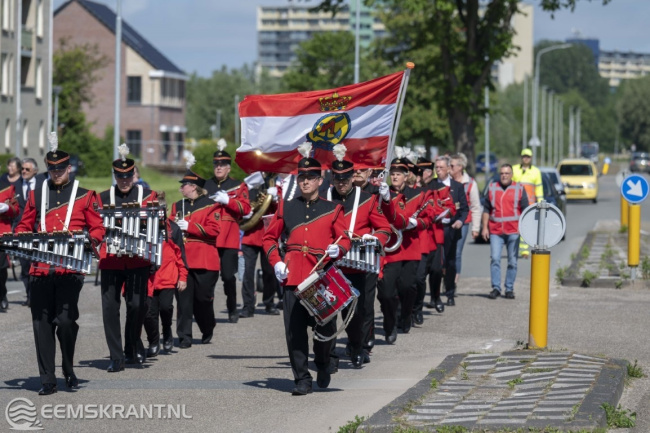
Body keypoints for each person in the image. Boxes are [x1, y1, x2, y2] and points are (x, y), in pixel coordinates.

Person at [15, 134, 104, 395]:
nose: (56, 173)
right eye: (52, 169)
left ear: (69, 168)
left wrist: (89, 240)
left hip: (70, 268)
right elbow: (24, 225)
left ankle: (67, 366)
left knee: (65, 321)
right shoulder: (36, 195)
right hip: (40, 268)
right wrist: (22, 237)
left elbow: (98, 228)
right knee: (41, 323)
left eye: (60, 169)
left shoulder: (85, 195)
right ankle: (48, 380)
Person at [263, 143, 351, 396]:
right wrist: (277, 262)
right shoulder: (286, 206)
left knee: (325, 329)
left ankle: (323, 362)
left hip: (320, 277)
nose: (305, 182)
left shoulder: (332, 208)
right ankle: (302, 378)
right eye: (302, 177)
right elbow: (269, 238)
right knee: (294, 332)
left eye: (311, 178)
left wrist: (338, 249)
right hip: (292, 277)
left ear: (320, 181)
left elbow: (345, 239)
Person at [326, 150, 392, 369]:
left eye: (346, 178)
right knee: (328, 310)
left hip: (359, 264)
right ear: (332, 178)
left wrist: (375, 238)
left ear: (352, 177)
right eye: (337, 178)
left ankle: (357, 347)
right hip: (330, 264)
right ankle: (329, 355)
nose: (341, 183)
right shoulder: (324, 198)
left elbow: (384, 228)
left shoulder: (367, 199)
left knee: (357, 311)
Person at [98, 144, 158, 372]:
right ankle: (116, 356)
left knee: (136, 305)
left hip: (137, 259)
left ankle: (131, 347)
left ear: (133, 175)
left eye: (127, 176)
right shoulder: (103, 197)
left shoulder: (148, 196)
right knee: (109, 308)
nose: (124, 180)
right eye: (119, 176)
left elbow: (157, 225)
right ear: (115, 176)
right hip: (111, 260)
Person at [170, 163, 221, 348]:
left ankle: (207, 326)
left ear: (193, 187)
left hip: (204, 260)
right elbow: (169, 228)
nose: (181, 188)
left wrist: (190, 227)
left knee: (202, 300)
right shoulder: (177, 205)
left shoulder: (212, 206)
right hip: (183, 260)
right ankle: (184, 336)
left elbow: (214, 230)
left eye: (184, 185)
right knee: (183, 301)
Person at [204, 141, 251, 323]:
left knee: (228, 277)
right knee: (208, 277)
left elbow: (245, 209)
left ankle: (232, 308)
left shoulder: (237, 186)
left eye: (222, 164)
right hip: (209, 237)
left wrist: (229, 201)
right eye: (216, 164)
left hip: (229, 237)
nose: (219, 167)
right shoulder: (206, 185)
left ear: (229, 168)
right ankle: (205, 311)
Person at [144, 192, 188, 357]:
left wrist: (183, 277)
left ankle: (167, 331)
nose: (158, 213)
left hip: (168, 276)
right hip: (149, 278)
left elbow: (181, 255)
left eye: (161, 210)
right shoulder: (144, 226)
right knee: (149, 313)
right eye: (154, 210)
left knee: (166, 307)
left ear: (166, 210)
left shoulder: (173, 229)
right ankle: (153, 341)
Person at [482, 164, 529, 300]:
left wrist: (524, 228)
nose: (504, 176)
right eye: (502, 173)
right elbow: (486, 209)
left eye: (507, 173)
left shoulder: (519, 188)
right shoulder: (492, 188)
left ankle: (509, 288)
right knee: (495, 259)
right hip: (496, 231)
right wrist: (484, 227)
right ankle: (496, 288)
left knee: (512, 262)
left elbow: (526, 210)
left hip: (513, 231)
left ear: (511, 175)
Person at [427, 156, 468, 307]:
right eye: (436, 167)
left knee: (450, 262)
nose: (438, 170)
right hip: (434, 229)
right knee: (435, 265)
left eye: (441, 168)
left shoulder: (457, 187)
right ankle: (434, 296)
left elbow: (464, 209)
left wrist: (460, 221)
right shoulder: (431, 185)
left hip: (451, 228)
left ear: (449, 169)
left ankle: (450, 292)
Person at [239, 174, 280, 318]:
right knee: (248, 274)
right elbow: (241, 203)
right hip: (250, 236)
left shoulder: (273, 183)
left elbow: (279, 211)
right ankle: (248, 306)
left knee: (269, 272)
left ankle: (269, 303)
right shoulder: (248, 184)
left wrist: (275, 200)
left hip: (267, 235)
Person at [15, 158, 44, 308]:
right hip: (22, 230)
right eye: (22, 169)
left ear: (35, 171)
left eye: (27, 169)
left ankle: (38, 295)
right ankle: (30, 295)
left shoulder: (43, 184)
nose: (24, 171)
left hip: (39, 229)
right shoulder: (16, 185)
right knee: (25, 265)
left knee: (39, 263)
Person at [449, 153, 481, 285]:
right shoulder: (445, 181)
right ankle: (446, 276)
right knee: (444, 251)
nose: (449, 168)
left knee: (456, 252)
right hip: (446, 222)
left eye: (452, 166)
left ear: (460, 167)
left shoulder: (470, 183)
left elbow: (475, 207)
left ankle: (453, 281)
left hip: (463, 223)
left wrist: (476, 228)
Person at [512, 148, 542, 259]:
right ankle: (514, 249)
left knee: (526, 227)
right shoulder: (514, 169)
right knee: (515, 227)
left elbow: (539, 189)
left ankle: (524, 251)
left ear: (531, 158)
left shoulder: (536, 171)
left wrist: (541, 204)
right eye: (524, 156)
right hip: (515, 204)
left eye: (528, 157)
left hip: (530, 204)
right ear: (521, 157)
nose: (526, 158)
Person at [0, 181, 18, 312]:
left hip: (1, 233)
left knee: (1, 268)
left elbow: (16, 210)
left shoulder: (7, 188)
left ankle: (2, 294)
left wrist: (7, 208)